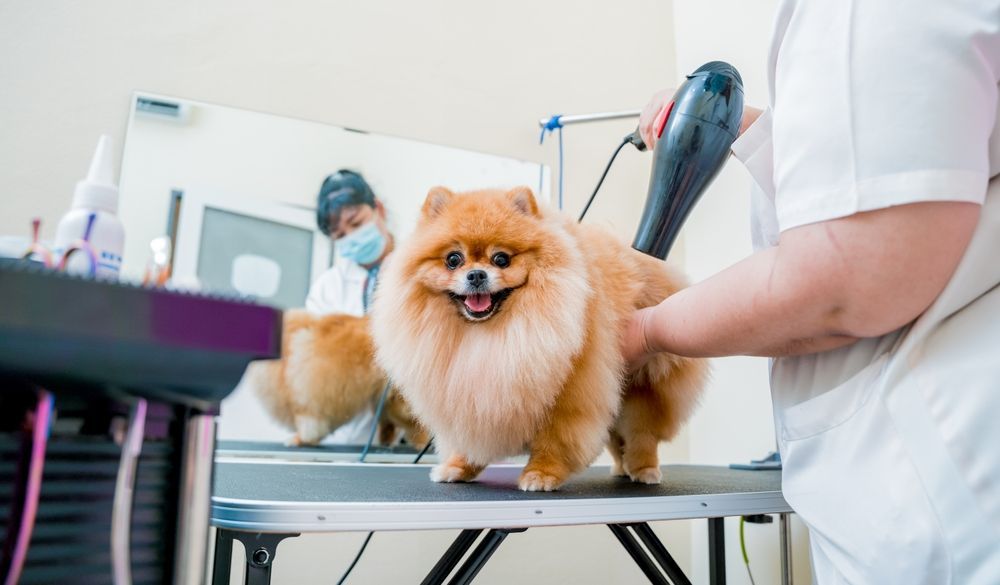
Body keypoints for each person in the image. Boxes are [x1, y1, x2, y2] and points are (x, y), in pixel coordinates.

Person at [623, 1, 1000, 583]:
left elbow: (848, 279)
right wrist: (745, 130)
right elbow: (886, 174)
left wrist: (647, 329)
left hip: (942, 504)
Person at [306, 169, 395, 444]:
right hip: (344, 437)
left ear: (378, 209)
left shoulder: (418, 268)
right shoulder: (327, 289)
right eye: (339, 234)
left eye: (356, 224)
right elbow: (317, 366)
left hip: (411, 436)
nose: (351, 238)